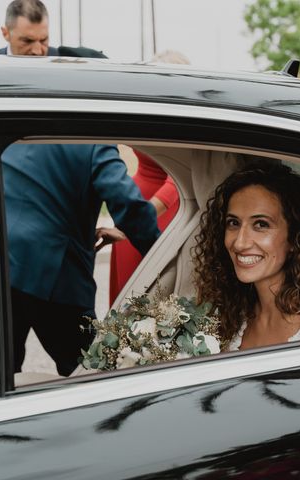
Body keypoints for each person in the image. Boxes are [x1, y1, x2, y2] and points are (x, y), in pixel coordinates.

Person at [0, 0, 159, 376]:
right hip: (56, 275)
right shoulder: (91, 133)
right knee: (91, 374)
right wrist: (162, 254)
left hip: (3, 267)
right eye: (27, 43)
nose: (39, 52)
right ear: (6, 35)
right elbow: (129, 205)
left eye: (45, 42)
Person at [193, 163, 300, 350]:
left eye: (261, 224)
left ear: (294, 237)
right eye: (233, 223)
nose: (240, 243)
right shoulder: (235, 313)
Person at [108, 50, 189, 304]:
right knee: (127, 298)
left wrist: (140, 216)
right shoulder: (144, 110)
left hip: (166, 213)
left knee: (156, 300)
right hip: (136, 203)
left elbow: (178, 178)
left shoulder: (185, 120)